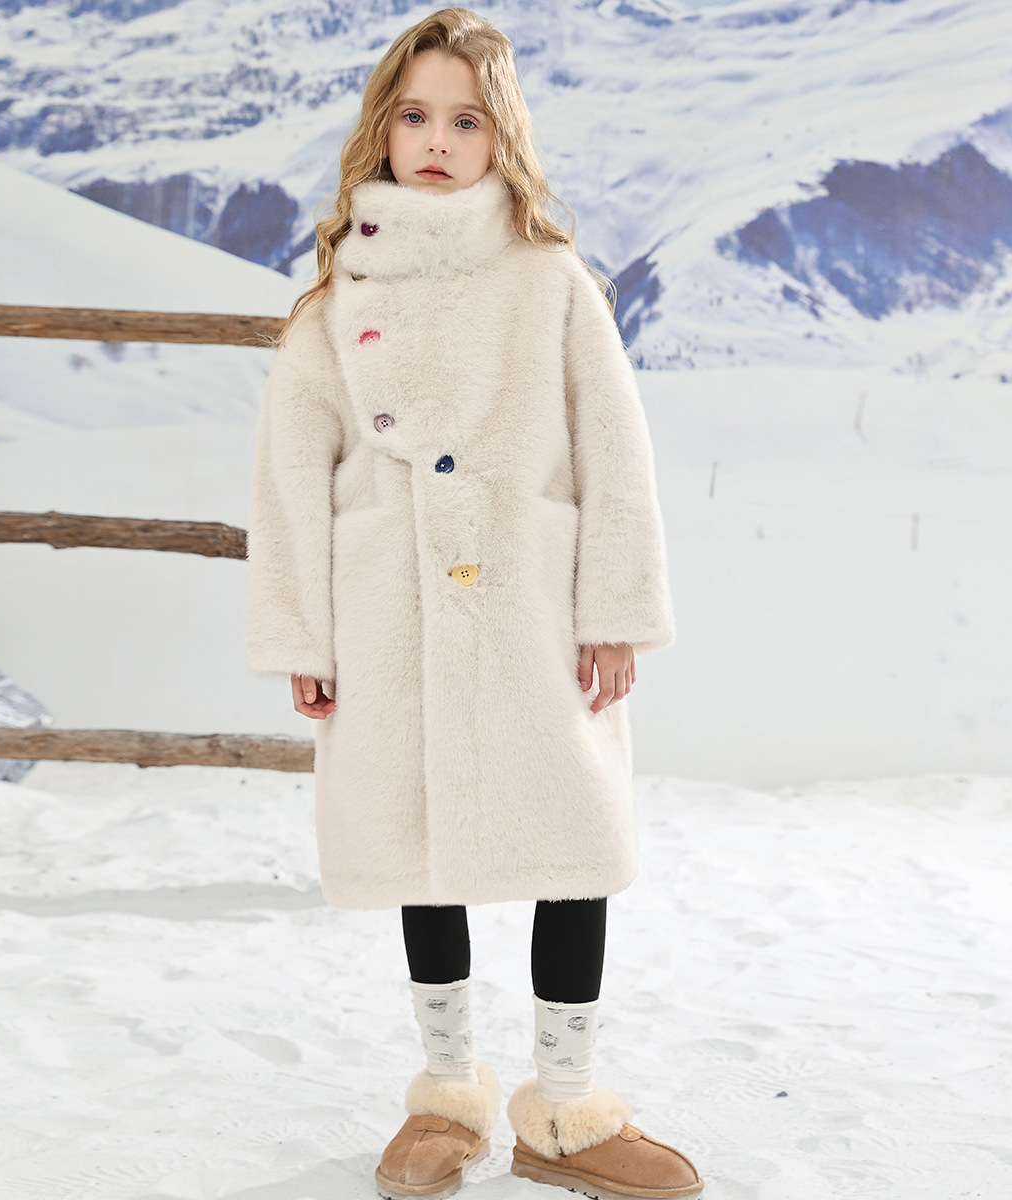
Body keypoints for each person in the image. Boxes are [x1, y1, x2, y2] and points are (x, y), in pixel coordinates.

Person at [245, 8, 703, 1200]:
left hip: (532, 604)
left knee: (574, 836)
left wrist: (614, 609)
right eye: (415, 116)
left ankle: (566, 1107)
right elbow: (290, 478)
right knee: (422, 841)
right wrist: (304, 632)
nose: (438, 141)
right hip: (387, 608)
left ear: (503, 138)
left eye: (466, 119)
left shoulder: (552, 284)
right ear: (382, 129)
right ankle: (447, 1094)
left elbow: (616, 451)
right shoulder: (335, 300)